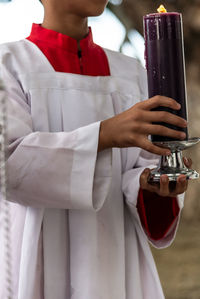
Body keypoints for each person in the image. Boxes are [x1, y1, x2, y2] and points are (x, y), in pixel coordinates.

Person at [0, 0, 192, 298]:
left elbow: (140, 168)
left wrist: (151, 186)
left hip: (116, 249)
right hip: (41, 254)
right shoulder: (9, 64)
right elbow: (9, 165)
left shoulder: (130, 73)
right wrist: (104, 135)